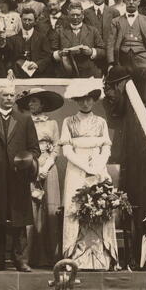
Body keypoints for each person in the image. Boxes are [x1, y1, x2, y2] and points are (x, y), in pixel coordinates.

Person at [0, 81, 40, 272]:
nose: (9, 98)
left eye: (12, 95)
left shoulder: (25, 120)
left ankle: (20, 260)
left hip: (18, 179)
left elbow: (35, 149)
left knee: (19, 220)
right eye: (5, 95)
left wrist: (26, 160)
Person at [60, 78, 118, 270]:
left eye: (89, 99)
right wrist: (85, 166)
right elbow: (67, 151)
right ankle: (74, 258)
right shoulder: (68, 122)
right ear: (76, 101)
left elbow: (106, 149)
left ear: (94, 100)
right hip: (76, 169)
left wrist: (97, 167)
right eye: (81, 99)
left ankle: (101, 258)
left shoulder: (101, 122)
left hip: (98, 167)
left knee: (100, 205)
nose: (85, 103)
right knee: (76, 207)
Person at [17, 88, 63, 267]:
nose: (31, 104)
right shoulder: (24, 122)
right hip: (30, 166)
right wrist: (33, 167)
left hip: (49, 167)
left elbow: (57, 147)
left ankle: (52, 257)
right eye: (29, 102)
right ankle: (29, 258)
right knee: (30, 210)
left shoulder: (52, 124)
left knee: (50, 209)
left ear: (42, 104)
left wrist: (46, 166)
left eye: (34, 101)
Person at [107, 0, 146, 103]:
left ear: (139, 2)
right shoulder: (116, 21)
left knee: (143, 92)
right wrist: (111, 63)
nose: (131, 2)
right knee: (121, 93)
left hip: (142, 59)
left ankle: (142, 113)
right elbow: (110, 43)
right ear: (124, 1)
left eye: (134, 0)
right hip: (122, 59)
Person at [52, 3, 104, 78]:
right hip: (66, 74)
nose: (75, 17)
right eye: (72, 15)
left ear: (82, 16)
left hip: (89, 74)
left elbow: (103, 51)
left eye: (78, 15)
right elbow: (51, 53)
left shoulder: (92, 31)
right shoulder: (60, 31)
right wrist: (60, 53)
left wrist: (91, 51)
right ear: (68, 16)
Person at [4, 8, 52, 79]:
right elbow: (9, 59)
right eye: (25, 19)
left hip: (38, 76)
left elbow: (47, 56)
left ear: (35, 21)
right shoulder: (12, 39)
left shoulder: (42, 38)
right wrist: (10, 70)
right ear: (21, 20)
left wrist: (37, 64)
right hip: (18, 76)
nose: (27, 22)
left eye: (30, 20)